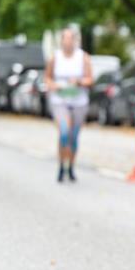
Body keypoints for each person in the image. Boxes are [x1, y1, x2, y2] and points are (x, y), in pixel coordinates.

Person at [44, 28, 91, 183]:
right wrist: (54, 85)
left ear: (75, 41)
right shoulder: (54, 58)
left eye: (71, 38)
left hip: (79, 102)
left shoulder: (82, 57)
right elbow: (47, 79)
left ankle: (71, 166)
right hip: (60, 101)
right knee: (64, 132)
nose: (68, 42)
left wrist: (78, 81)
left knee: (74, 137)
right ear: (61, 41)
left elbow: (89, 80)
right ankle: (61, 166)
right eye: (65, 38)